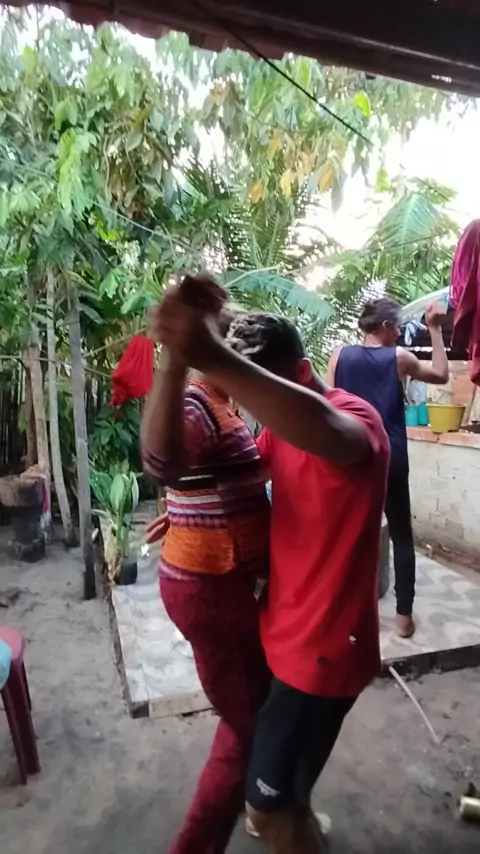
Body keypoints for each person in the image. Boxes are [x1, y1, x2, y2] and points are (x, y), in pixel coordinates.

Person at [150, 279, 390, 854]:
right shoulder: (279, 433)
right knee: (282, 781)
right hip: (280, 635)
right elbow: (237, 475)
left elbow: (328, 431)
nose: (255, 410)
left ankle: (290, 821)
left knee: (265, 808)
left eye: (261, 391)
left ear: (300, 373)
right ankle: (295, 813)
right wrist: (192, 511)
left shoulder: (352, 420)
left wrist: (208, 355)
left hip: (322, 651)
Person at [141, 276, 271, 854]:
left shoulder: (223, 405)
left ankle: (266, 809)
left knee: (250, 711)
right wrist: (174, 360)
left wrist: (182, 512)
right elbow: (163, 462)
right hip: (209, 589)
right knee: (251, 724)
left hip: (217, 582)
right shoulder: (198, 401)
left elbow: (200, 481)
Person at [326, 297, 449, 638]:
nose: (399, 332)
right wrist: (434, 329)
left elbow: (330, 405)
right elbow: (441, 374)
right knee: (401, 537)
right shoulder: (398, 358)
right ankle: (403, 618)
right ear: (384, 326)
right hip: (390, 458)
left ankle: (347, 616)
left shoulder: (338, 356)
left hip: (350, 457)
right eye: (396, 326)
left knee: (348, 538)